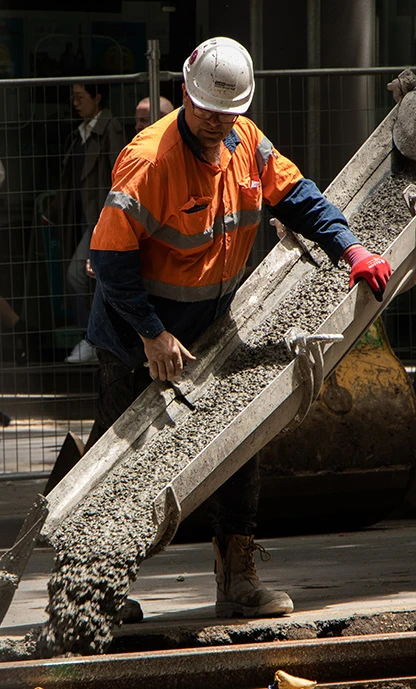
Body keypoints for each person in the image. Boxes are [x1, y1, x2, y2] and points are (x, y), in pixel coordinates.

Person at [84, 37, 392, 621]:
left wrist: (349, 247)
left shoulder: (246, 143)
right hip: (134, 339)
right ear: (185, 94)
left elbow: (299, 198)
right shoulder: (149, 161)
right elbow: (111, 261)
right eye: (206, 109)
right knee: (123, 465)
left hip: (210, 330)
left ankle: (238, 579)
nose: (216, 122)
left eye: (227, 112)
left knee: (239, 447)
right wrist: (151, 334)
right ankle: (96, 592)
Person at [42, 81, 126, 363]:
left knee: (77, 276)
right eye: (73, 97)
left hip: (101, 217)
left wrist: (112, 216)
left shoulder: (109, 128)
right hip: (81, 217)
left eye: (80, 97)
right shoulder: (81, 132)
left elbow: (118, 174)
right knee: (88, 279)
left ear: (97, 97)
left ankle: (92, 339)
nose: (75, 103)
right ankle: (97, 339)